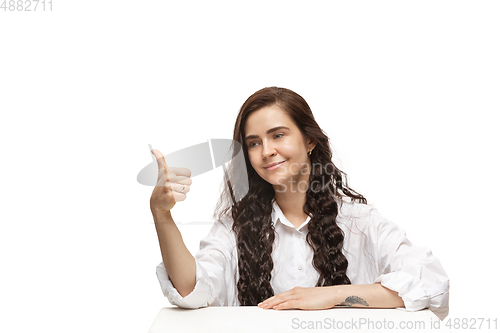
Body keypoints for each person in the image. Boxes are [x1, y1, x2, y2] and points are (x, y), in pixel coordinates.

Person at [150, 87, 450, 320]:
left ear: (309, 141)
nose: (266, 151)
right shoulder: (233, 226)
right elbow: (191, 290)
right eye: (254, 143)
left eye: (277, 135)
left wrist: (332, 297)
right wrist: (162, 216)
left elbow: (431, 283)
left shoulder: (360, 221)